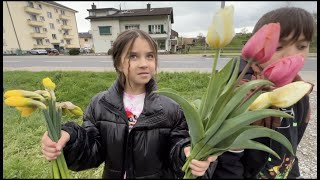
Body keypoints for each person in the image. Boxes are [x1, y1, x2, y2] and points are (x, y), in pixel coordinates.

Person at [41, 29, 217, 179]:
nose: (144, 64)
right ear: (118, 63)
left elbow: (177, 148)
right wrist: (69, 137)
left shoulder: (171, 108)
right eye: (133, 56)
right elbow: (91, 152)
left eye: (150, 56)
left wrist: (187, 153)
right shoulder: (100, 104)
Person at [238, 7, 315, 179]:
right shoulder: (241, 93)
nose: (291, 56)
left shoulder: (299, 89)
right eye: (279, 46)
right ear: (259, 48)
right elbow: (229, 153)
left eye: (301, 46)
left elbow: (293, 141)